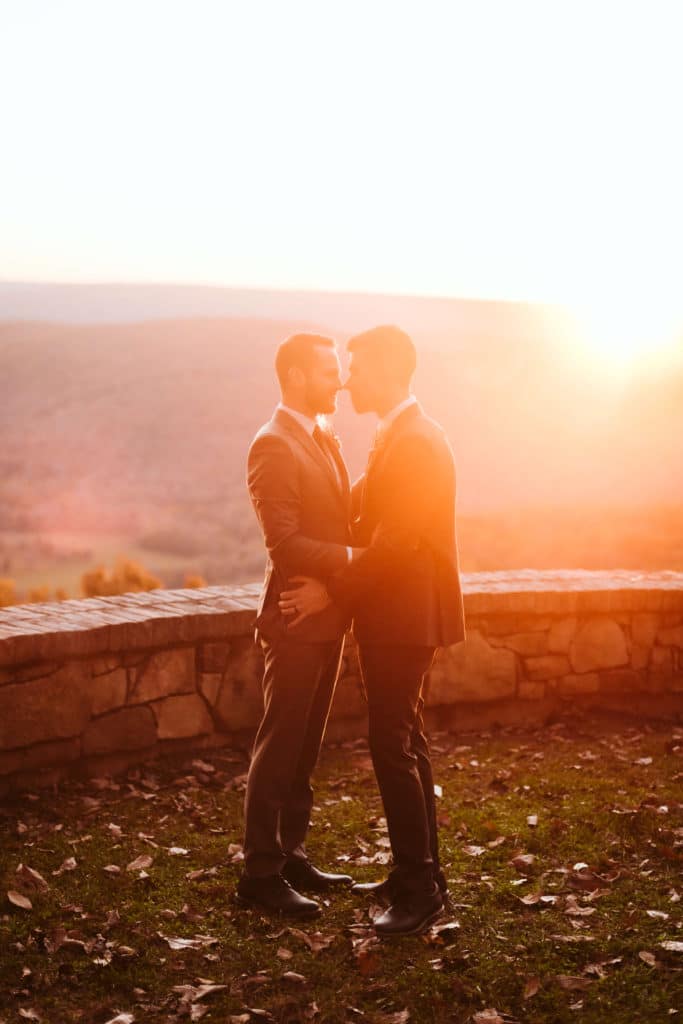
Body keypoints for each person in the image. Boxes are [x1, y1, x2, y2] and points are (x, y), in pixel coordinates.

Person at [279, 325, 466, 936]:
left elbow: (395, 548)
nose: (347, 378)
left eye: (356, 367)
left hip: (405, 617)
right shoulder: (399, 433)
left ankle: (417, 890)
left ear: (386, 370)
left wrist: (329, 588)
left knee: (391, 745)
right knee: (406, 741)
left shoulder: (413, 441)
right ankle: (422, 874)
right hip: (401, 614)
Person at [235, 333, 357, 917]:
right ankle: (258, 873)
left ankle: (290, 852)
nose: (340, 380)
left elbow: (340, 517)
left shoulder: (323, 434)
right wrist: (353, 565)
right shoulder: (273, 445)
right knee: (280, 743)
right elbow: (283, 541)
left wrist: (334, 589)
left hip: (325, 612)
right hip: (293, 618)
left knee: (306, 747)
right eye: (328, 370)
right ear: (296, 376)